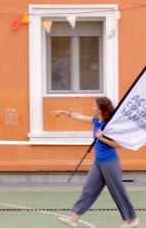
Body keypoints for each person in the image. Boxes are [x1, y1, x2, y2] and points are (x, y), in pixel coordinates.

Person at [52, 97, 139, 228]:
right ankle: (74, 219)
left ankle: (132, 220)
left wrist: (102, 138)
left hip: (110, 162)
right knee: (89, 189)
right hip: (98, 163)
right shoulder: (96, 121)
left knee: (117, 191)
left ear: (101, 108)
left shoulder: (109, 125)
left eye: (94, 105)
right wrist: (65, 113)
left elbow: (118, 145)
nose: (92, 107)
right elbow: (80, 117)